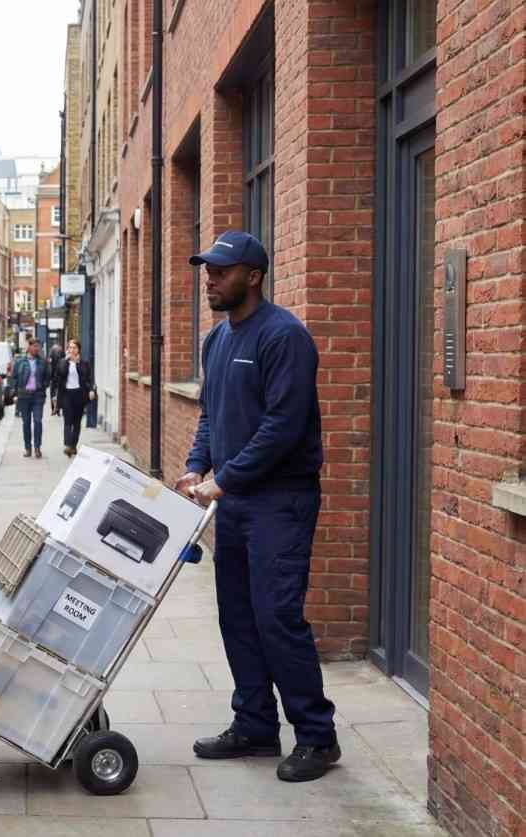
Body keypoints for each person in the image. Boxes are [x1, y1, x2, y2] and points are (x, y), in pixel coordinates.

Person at [175, 230, 340, 783]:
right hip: (238, 503)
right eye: (207, 270)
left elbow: (282, 428)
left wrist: (224, 480)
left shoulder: (284, 336)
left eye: (220, 271)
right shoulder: (217, 341)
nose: (210, 279)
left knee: (277, 618)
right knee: (238, 616)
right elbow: (210, 416)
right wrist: (198, 465)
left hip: (281, 501)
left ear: (253, 275)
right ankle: (255, 725)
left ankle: (317, 738)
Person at [51, 339, 95, 456]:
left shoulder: (84, 363)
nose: (72, 350)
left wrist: (91, 390)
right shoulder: (62, 362)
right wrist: (66, 362)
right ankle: (68, 445)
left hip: (80, 394)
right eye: (70, 347)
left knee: (76, 422)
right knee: (67, 420)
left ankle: (73, 446)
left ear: (78, 350)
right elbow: (59, 375)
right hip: (66, 394)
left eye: (74, 347)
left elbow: (88, 378)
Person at [10, 338, 50, 459]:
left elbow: (48, 377)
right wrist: (15, 394)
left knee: (38, 421)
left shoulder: (43, 362)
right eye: (35, 346)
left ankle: (37, 447)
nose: (37, 349)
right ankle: (28, 448)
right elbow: (14, 378)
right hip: (24, 396)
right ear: (29, 347)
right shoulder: (20, 362)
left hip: (38, 396)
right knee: (26, 422)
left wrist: (42, 386)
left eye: (38, 347)